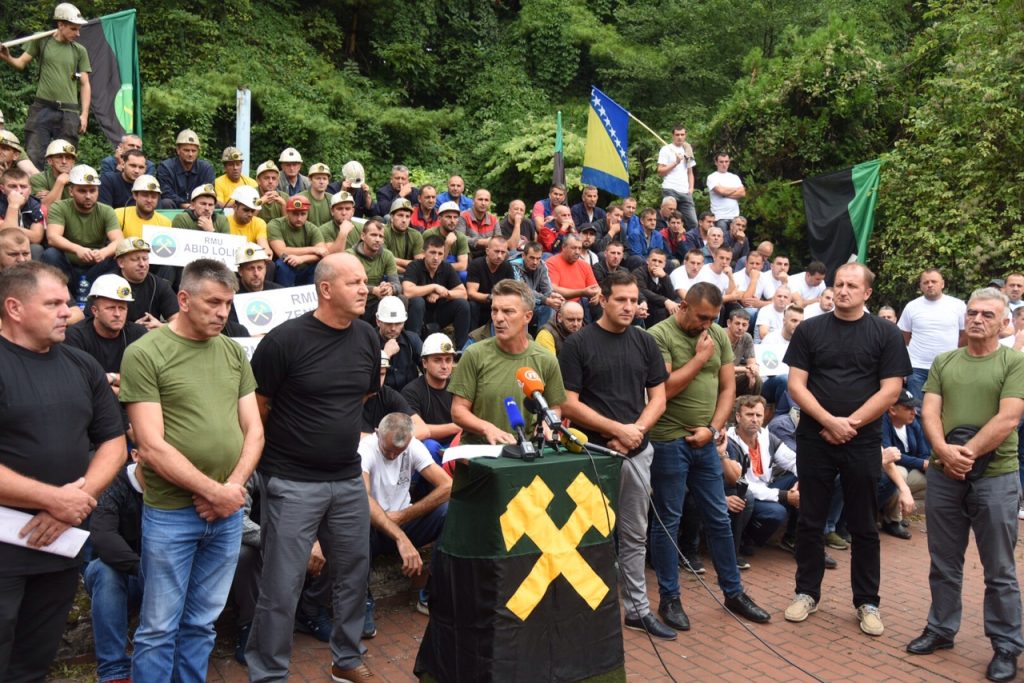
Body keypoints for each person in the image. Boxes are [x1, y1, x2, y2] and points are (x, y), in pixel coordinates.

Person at [120, 259, 264, 682]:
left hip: (228, 513)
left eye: (228, 304)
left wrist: (231, 490)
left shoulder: (232, 351)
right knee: (158, 628)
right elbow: (150, 445)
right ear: (183, 299)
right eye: (213, 302)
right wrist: (216, 493)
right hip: (172, 513)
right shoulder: (145, 353)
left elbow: (254, 430)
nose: (222, 312)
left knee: (202, 623)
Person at [245, 253, 380, 681]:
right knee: (281, 585)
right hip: (291, 481)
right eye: (354, 282)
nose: (364, 289)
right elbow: (258, 407)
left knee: (354, 574)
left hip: (347, 478)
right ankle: (268, 673)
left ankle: (346, 660)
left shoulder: (367, 337)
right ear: (325, 289)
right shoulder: (284, 341)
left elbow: (361, 395)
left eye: (364, 281)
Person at [0, 261, 125, 682]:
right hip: (5, 543)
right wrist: (54, 499)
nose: (67, 313)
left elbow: (113, 442)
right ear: (14, 308)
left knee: (36, 656)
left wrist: (75, 502)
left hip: (60, 539)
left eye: (67, 303)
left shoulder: (81, 365)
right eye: (53, 304)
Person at [782, 263, 911, 636]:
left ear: (867, 293)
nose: (842, 290)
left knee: (863, 524)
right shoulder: (810, 330)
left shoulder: (885, 333)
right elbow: (796, 385)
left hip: (863, 439)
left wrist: (849, 424)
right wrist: (828, 421)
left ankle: (867, 602)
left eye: (852, 285)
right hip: (815, 437)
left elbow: (891, 390)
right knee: (810, 520)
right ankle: (806, 592)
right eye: (838, 284)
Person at [906, 287, 1024, 682]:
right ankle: (940, 629)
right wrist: (943, 452)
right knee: (943, 561)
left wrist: (965, 454)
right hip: (945, 477)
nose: (977, 319)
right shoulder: (945, 361)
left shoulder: (1014, 363)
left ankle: (1006, 645)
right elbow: (930, 412)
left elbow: (1009, 418)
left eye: (987, 315)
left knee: (1000, 568)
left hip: (995, 477)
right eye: (972, 312)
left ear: (1004, 323)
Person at [646, 282, 771, 630]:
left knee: (718, 517)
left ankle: (734, 592)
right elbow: (663, 390)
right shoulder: (659, 335)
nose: (707, 324)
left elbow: (728, 387)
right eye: (702, 317)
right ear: (684, 305)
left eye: (713, 318)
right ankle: (670, 598)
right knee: (668, 521)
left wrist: (714, 429)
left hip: (705, 441)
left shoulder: (716, 334)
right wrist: (699, 359)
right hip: (669, 440)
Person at [558, 270, 674, 639]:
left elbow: (659, 397)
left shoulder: (645, 341)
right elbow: (568, 404)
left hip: (637, 452)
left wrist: (633, 432)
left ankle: (637, 610)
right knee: (587, 536)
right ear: (603, 300)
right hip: (592, 454)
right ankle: (583, 614)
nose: (629, 306)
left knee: (635, 535)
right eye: (621, 299)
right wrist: (617, 430)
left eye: (634, 300)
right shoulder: (578, 344)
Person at [449, 278, 566, 445]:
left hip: (528, 453)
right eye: (494, 310)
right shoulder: (474, 354)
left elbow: (555, 407)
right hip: (481, 454)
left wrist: (547, 425)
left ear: (527, 317)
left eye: (508, 311)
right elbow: (458, 410)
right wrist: (487, 428)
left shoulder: (546, 359)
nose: (498, 318)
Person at [361, 412, 451, 626]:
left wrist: (403, 516)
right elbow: (364, 500)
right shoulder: (365, 449)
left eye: (399, 451)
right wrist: (399, 536)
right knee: (355, 522)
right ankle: (362, 602)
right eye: (388, 450)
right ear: (377, 434)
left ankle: (431, 593)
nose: (393, 456)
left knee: (450, 512)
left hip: (403, 520)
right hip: (372, 527)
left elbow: (448, 486)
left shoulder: (413, 446)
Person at [0, 4, 92, 167]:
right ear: (60, 25)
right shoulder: (42, 41)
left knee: (65, 159)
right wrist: (6, 57)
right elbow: (20, 63)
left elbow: (85, 84)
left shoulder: (80, 51)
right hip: (42, 108)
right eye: (73, 29)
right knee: (34, 156)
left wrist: (84, 115)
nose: (77, 34)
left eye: (78, 29)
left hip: (69, 112)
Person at [83, 453, 144, 683]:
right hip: (123, 574)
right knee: (105, 570)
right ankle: (114, 672)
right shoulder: (114, 482)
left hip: (159, 576)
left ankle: (156, 661)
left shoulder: (174, 486)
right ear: (136, 455)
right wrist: (144, 570)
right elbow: (104, 537)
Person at [41, 164, 124, 293]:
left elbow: (119, 241)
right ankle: (64, 293)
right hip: (68, 265)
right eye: (82, 191)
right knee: (50, 254)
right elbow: (52, 237)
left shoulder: (106, 210)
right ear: (71, 191)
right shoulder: (59, 207)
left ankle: (94, 294)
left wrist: (104, 252)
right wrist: (77, 249)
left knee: (117, 257)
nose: (88, 196)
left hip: (96, 266)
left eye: (92, 190)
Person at [64, 273, 147, 398]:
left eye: (122, 308)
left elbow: (147, 381)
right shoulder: (76, 336)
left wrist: (112, 378)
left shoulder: (139, 334)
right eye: (110, 308)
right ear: (95, 311)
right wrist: (124, 388)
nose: (117, 314)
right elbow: (78, 385)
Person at [898, 268, 967, 401]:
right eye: (926, 282)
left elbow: (965, 335)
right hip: (917, 368)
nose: (930, 285)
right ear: (921, 286)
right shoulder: (912, 307)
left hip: (949, 367)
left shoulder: (958, 305)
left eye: (934, 281)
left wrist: (954, 356)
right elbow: (903, 337)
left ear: (942, 284)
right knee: (917, 408)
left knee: (948, 406)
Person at [403, 234, 471, 348]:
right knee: (417, 301)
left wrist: (443, 294)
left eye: (440, 254)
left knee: (463, 304)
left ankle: (462, 349)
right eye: (432, 252)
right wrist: (433, 287)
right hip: (417, 315)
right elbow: (407, 291)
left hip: (439, 313)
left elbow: (463, 294)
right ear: (424, 253)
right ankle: (413, 347)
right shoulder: (414, 266)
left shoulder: (447, 267)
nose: (436, 258)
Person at [402, 333, 462, 462]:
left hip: (455, 442)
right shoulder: (411, 391)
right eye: (437, 360)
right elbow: (416, 431)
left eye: (448, 360)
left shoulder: (458, 387)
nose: (444, 366)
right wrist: (457, 426)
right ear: (424, 363)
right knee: (430, 446)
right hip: (426, 447)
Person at [879, 389, 929, 539]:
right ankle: (893, 521)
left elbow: (923, 453)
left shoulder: (913, 424)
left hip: (910, 470)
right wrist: (922, 463)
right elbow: (890, 455)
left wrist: (929, 466)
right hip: (888, 469)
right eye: (908, 408)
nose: (913, 412)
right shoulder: (882, 422)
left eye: (913, 407)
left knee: (935, 478)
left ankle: (895, 511)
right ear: (892, 410)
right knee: (899, 474)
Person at [112, 238, 179, 330]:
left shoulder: (159, 285)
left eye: (145, 259)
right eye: (135, 259)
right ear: (121, 263)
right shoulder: (107, 283)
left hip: (151, 335)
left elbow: (179, 323)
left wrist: (161, 327)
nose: (142, 264)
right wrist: (133, 329)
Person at [267, 194, 327, 286]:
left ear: (307, 213)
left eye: (303, 214)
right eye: (295, 214)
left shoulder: (312, 228)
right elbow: (281, 252)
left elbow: (323, 252)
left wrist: (302, 259)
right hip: (287, 266)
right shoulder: (275, 224)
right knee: (282, 264)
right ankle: (285, 292)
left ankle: (314, 292)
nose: (299, 218)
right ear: (287, 212)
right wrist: (314, 249)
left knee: (320, 264)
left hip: (305, 267)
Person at [348, 218, 399, 322]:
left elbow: (397, 284)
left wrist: (390, 288)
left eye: (381, 236)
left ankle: (393, 331)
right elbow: (348, 285)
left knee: (401, 299)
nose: (377, 239)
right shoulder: (350, 255)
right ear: (363, 236)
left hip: (375, 303)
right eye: (373, 235)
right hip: (353, 301)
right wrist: (373, 290)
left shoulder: (387, 255)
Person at [155, 129, 216, 210]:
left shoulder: (206, 168)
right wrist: (183, 204)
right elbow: (165, 191)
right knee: (166, 202)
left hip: (198, 207)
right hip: (175, 206)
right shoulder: (166, 167)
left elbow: (208, 192)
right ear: (178, 150)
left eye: (193, 151)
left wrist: (195, 205)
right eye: (186, 150)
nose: (190, 154)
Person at [511, 241, 562, 330]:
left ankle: (544, 337)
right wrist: (546, 300)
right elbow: (523, 292)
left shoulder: (541, 265)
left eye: (538, 258)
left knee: (554, 308)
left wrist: (554, 297)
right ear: (523, 256)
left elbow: (547, 290)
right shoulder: (513, 266)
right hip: (516, 306)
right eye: (532, 258)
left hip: (532, 305)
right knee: (544, 307)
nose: (535, 262)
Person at [466, 235, 514, 329]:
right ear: (487, 251)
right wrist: (491, 297)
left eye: (503, 252)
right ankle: (471, 335)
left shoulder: (507, 267)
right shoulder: (476, 265)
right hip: (480, 305)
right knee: (472, 305)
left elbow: (511, 292)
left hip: (500, 305)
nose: (499, 256)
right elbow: (471, 293)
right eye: (496, 251)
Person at [376, 295, 423, 391]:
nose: (393, 328)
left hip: (409, 396)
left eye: (398, 323)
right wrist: (385, 355)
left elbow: (429, 367)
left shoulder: (412, 340)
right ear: (378, 321)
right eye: (388, 323)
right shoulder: (368, 341)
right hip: (379, 396)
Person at [656, 126, 698, 231]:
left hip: (685, 191)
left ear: (685, 135)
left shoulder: (688, 150)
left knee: (693, 223)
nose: (680, 137)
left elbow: (690, 172)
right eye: (677, 134)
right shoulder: (666, 149)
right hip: (670, 189)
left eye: (682, 134)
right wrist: (676, 162)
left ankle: (686, 241)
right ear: (673, 136)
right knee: (670, 220)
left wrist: (691, 189)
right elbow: (660, 171)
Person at [0, 167, 45, 257]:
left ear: (30, 190)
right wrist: (13, 206)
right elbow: (7, 236)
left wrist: (9, 226)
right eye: (13, 186)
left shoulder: (36, 206)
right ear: (2, 189)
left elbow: (36, 238)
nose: (19, 191)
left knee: (36, 248)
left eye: (23, 187)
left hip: (24, 248)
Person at [113, 174, 171, 239]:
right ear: (135, 195)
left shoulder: (165, 223)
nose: (149, 200)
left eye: (154, 197)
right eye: (145, 195)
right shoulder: (118, 215)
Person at [421, 201, 470, 273]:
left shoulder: (461, 237)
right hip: (431, 273)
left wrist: (441, 267)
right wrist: (447, 245)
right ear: (439, 218)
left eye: (455, 217)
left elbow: (462, 266)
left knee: (463, 275)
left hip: (453, 273)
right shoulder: (429, 234)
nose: (452, 221)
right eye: (448, 217)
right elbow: (428, 264)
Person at [633, 248, 678, 326]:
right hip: (644, 306)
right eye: (654, 260)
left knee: (677, 304)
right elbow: (643, 291)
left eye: (660, 262)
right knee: (661, 311)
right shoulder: (638, 273)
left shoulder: (663, 275)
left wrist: (665, 277)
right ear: (647, 261)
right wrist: (665, 301)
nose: (657, 264)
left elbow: (672, 296)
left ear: (664, 264)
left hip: (658, 307)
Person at [30, 138, 76, 208]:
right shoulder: (38, 179)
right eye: (59, 157)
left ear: (73, 162)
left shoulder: (80, 178)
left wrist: (50, 195)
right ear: (49, 161)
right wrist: (60, 182)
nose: (64, 161)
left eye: (68, 158)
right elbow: (45, 208)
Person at [726, 308, 761, 396]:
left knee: (756, 379)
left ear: (748, 326)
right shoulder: (721, 335)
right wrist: (746, 370)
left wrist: (752, 371)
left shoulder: (747, 337)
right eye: (737, 323)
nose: (740, 328)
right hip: (717, 376)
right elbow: (721, 368)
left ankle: (751, 404)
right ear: (729, 323)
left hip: (733, 376)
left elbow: (752, 363)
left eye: (744, 325)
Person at [706, 153, 745, 230]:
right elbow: (721, 191)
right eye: (721, 162)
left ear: (729, 162)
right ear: (716, 163)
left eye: (726, 161)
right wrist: (735, 189)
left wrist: (725, 194)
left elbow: (742, 193)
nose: (724, 164)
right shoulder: (712, 177)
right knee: (721, 237)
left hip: (735, 217)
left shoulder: (735, 177)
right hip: (719, 217)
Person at [385, 197, 424, 274]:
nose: (404, 220)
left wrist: (393, 260)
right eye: (400, 215)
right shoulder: (382, 232)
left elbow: (419, 263)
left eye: (407, 216)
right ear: (392, 217)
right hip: (386, 275)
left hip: (409, 274)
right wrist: (408, 267)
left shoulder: (416, 235)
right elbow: (383, 261)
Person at [459, 188, 500, 257]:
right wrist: (480, 242)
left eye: (486, 200)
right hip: (468, 254)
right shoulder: (463, 216)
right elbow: (460, 238)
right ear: (473, 201)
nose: (483, 203)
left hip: (487, 254)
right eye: (480, 199)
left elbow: (499, 240)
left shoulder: (494, 219)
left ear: (489, 203)